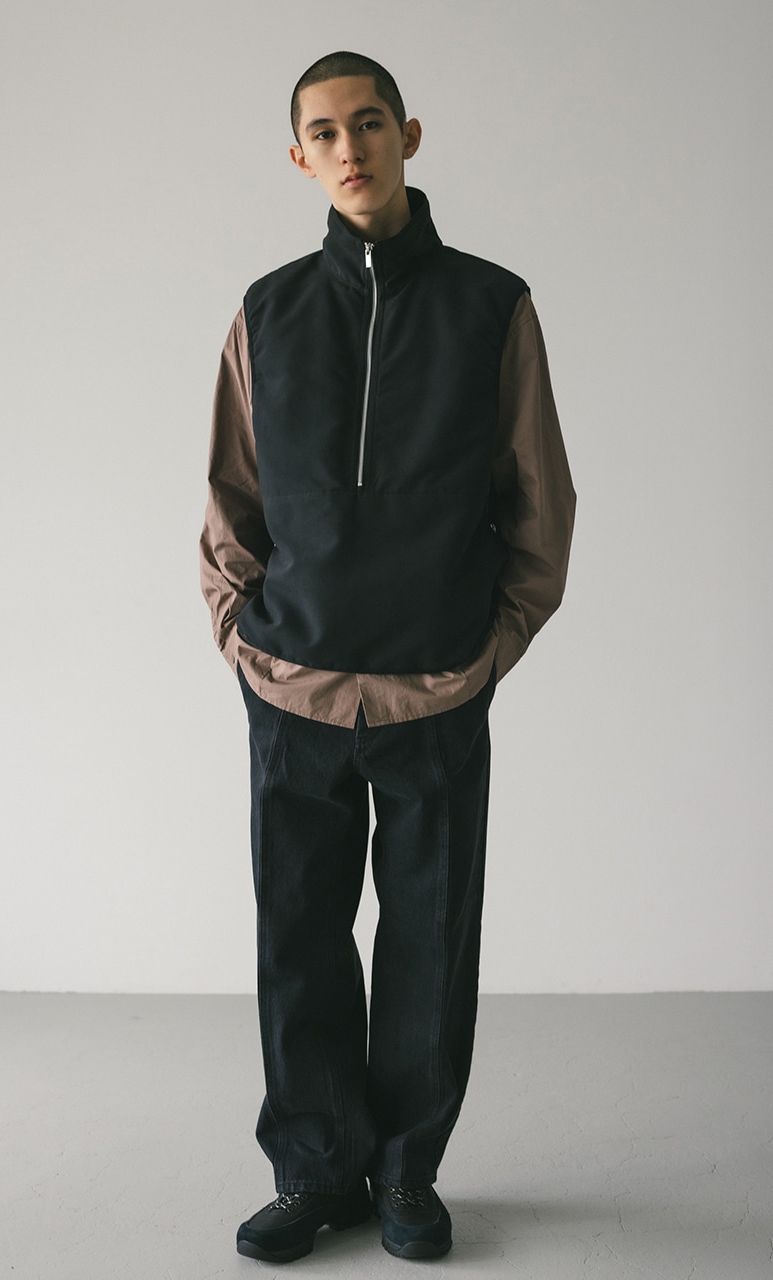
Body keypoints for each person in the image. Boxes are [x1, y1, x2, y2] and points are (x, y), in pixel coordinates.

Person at [200, 50, 575, 1264]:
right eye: (324, 130)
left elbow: (539, 499)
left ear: (408, 135)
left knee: (428, 938)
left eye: (368, 122)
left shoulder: (490, 305)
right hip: (294, 687)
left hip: (434, 687)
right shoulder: (267, 310)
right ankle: (316, 1172)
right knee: (298, 940)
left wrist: (489, 648)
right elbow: (230, 498)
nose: (349, 146)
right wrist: (242, 638)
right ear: (298, 156)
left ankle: (407, 1169)